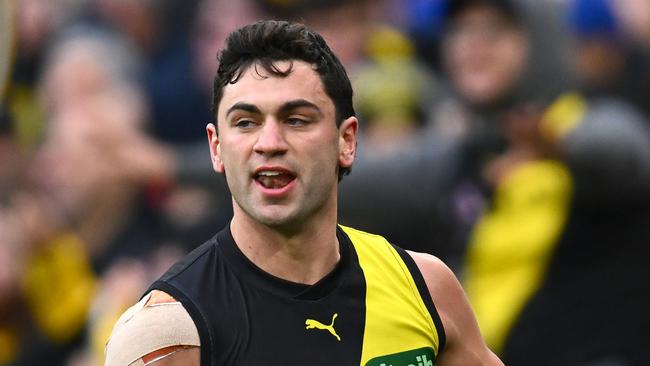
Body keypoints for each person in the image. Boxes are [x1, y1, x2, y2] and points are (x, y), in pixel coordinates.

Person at [104, 20, 502, 366]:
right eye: (245, 122)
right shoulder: (166, 332)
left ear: (346, 141)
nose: (270, 142)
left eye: (296, 120)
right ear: (216, 147)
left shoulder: (425, 287)